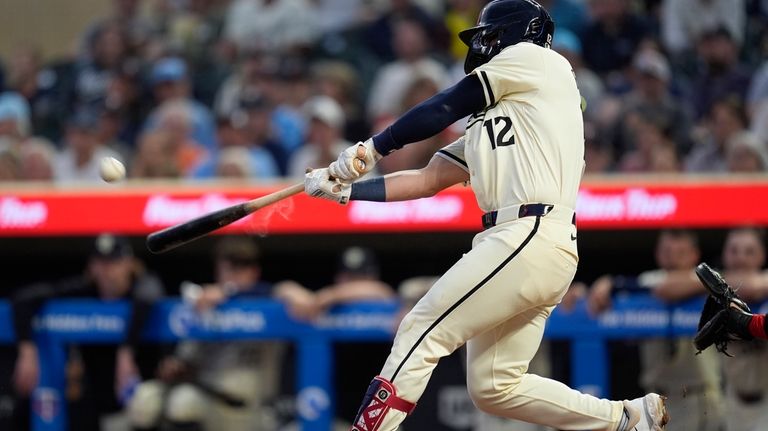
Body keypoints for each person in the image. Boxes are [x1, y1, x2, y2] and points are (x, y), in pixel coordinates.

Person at [304, 1, 668, 430]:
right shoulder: (506, 113)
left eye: (490, 34)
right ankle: (626, 418)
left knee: (420, 328)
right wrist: (346, 191)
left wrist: (373, 147)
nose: (483, 43)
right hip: (530, 242)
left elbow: (445, 105)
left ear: (516, 32)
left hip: (528, 231)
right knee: (494, 386)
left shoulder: (538, 60)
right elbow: (427, 179)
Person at [12, 234, 165, 431]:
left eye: (114, 262)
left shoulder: (144, 286)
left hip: (143, 402)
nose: (107, 270)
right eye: (101, 263)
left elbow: (149, 296)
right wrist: (27, 350)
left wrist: (126, 352)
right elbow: (24, 299)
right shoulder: (85, 290)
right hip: (101, 406)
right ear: (91, 266)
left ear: (128, 263)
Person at [587, 230, 724, 431]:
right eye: (667, 251)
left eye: (681, 252)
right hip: (655, 398)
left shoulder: (710, 281)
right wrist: (606, 283)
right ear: (658, 253)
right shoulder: (649, 280)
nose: (673, 257)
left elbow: (670, 287)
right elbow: (601, 302)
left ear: (695, 254)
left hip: (699, 396)